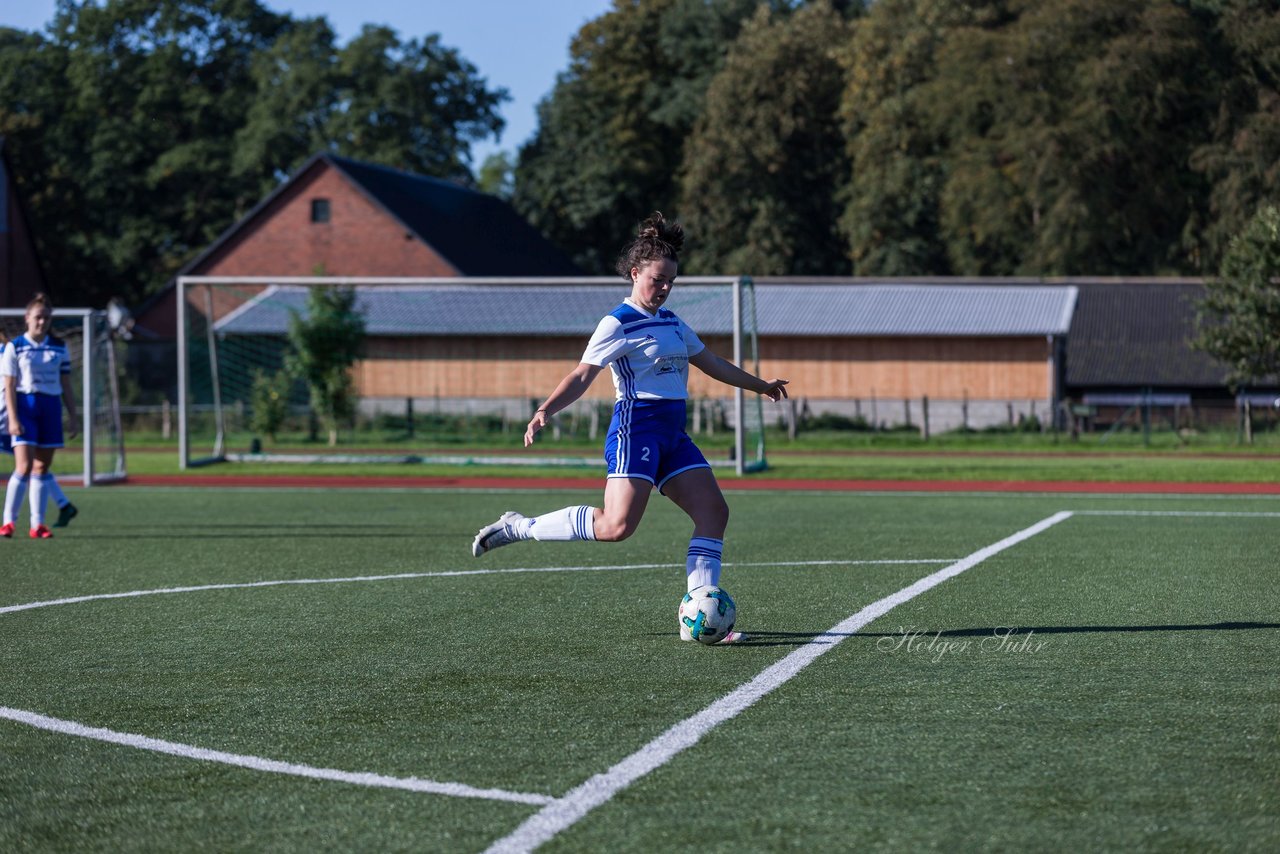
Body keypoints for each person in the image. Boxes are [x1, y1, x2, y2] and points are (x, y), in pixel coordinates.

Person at [471, 212, 789, 644]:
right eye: (657, 279)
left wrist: (761, 386)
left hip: (673, 435)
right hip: (636, 429)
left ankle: (695, 616)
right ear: (635, 273)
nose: (664, 288)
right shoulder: (617, 323)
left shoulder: (673, 322)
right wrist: (547, 408)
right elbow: (583, 375)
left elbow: (711, 363)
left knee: (714, 512)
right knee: (616, 527)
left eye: (671, 282)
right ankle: (517, 526)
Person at [2, 295, 80, 539]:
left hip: (50, 408)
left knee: (42, 467)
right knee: (23, 466)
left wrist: (73, 415)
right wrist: (13, 418)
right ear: (27, 318)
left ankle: (37, 524)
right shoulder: (16, 346)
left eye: (46, 317)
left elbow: (66, 384)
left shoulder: (59, 346)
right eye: (37, 317)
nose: (42, 321)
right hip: (26, 406)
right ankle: (8, 522)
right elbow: (9, 386)